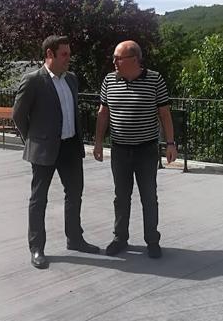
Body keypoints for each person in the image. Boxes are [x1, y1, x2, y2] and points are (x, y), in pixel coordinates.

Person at [13, 35, 99, 269]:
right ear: (49, 54)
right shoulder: (33, 81)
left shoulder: (71, 79)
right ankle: (37, 248)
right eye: (64, 55)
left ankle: (75, 239)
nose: (68, 59)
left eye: (69, 54)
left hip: (70, 146)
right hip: (44, 149)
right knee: (39, 199)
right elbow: (18, 116)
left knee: (75, 193)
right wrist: (33, 139)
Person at [93, 40, 177, 259]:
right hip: (119, 150)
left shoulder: (154, 79)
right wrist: (99, 142)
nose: (114, 62)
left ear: (134, 59)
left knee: (149, 197)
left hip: (146, 150)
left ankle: (152, 241)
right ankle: (120, 238)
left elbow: (165, 113)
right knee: (121, 197)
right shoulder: (109, 80)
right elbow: (103, 113)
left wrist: (170, 143)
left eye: (117, 58)